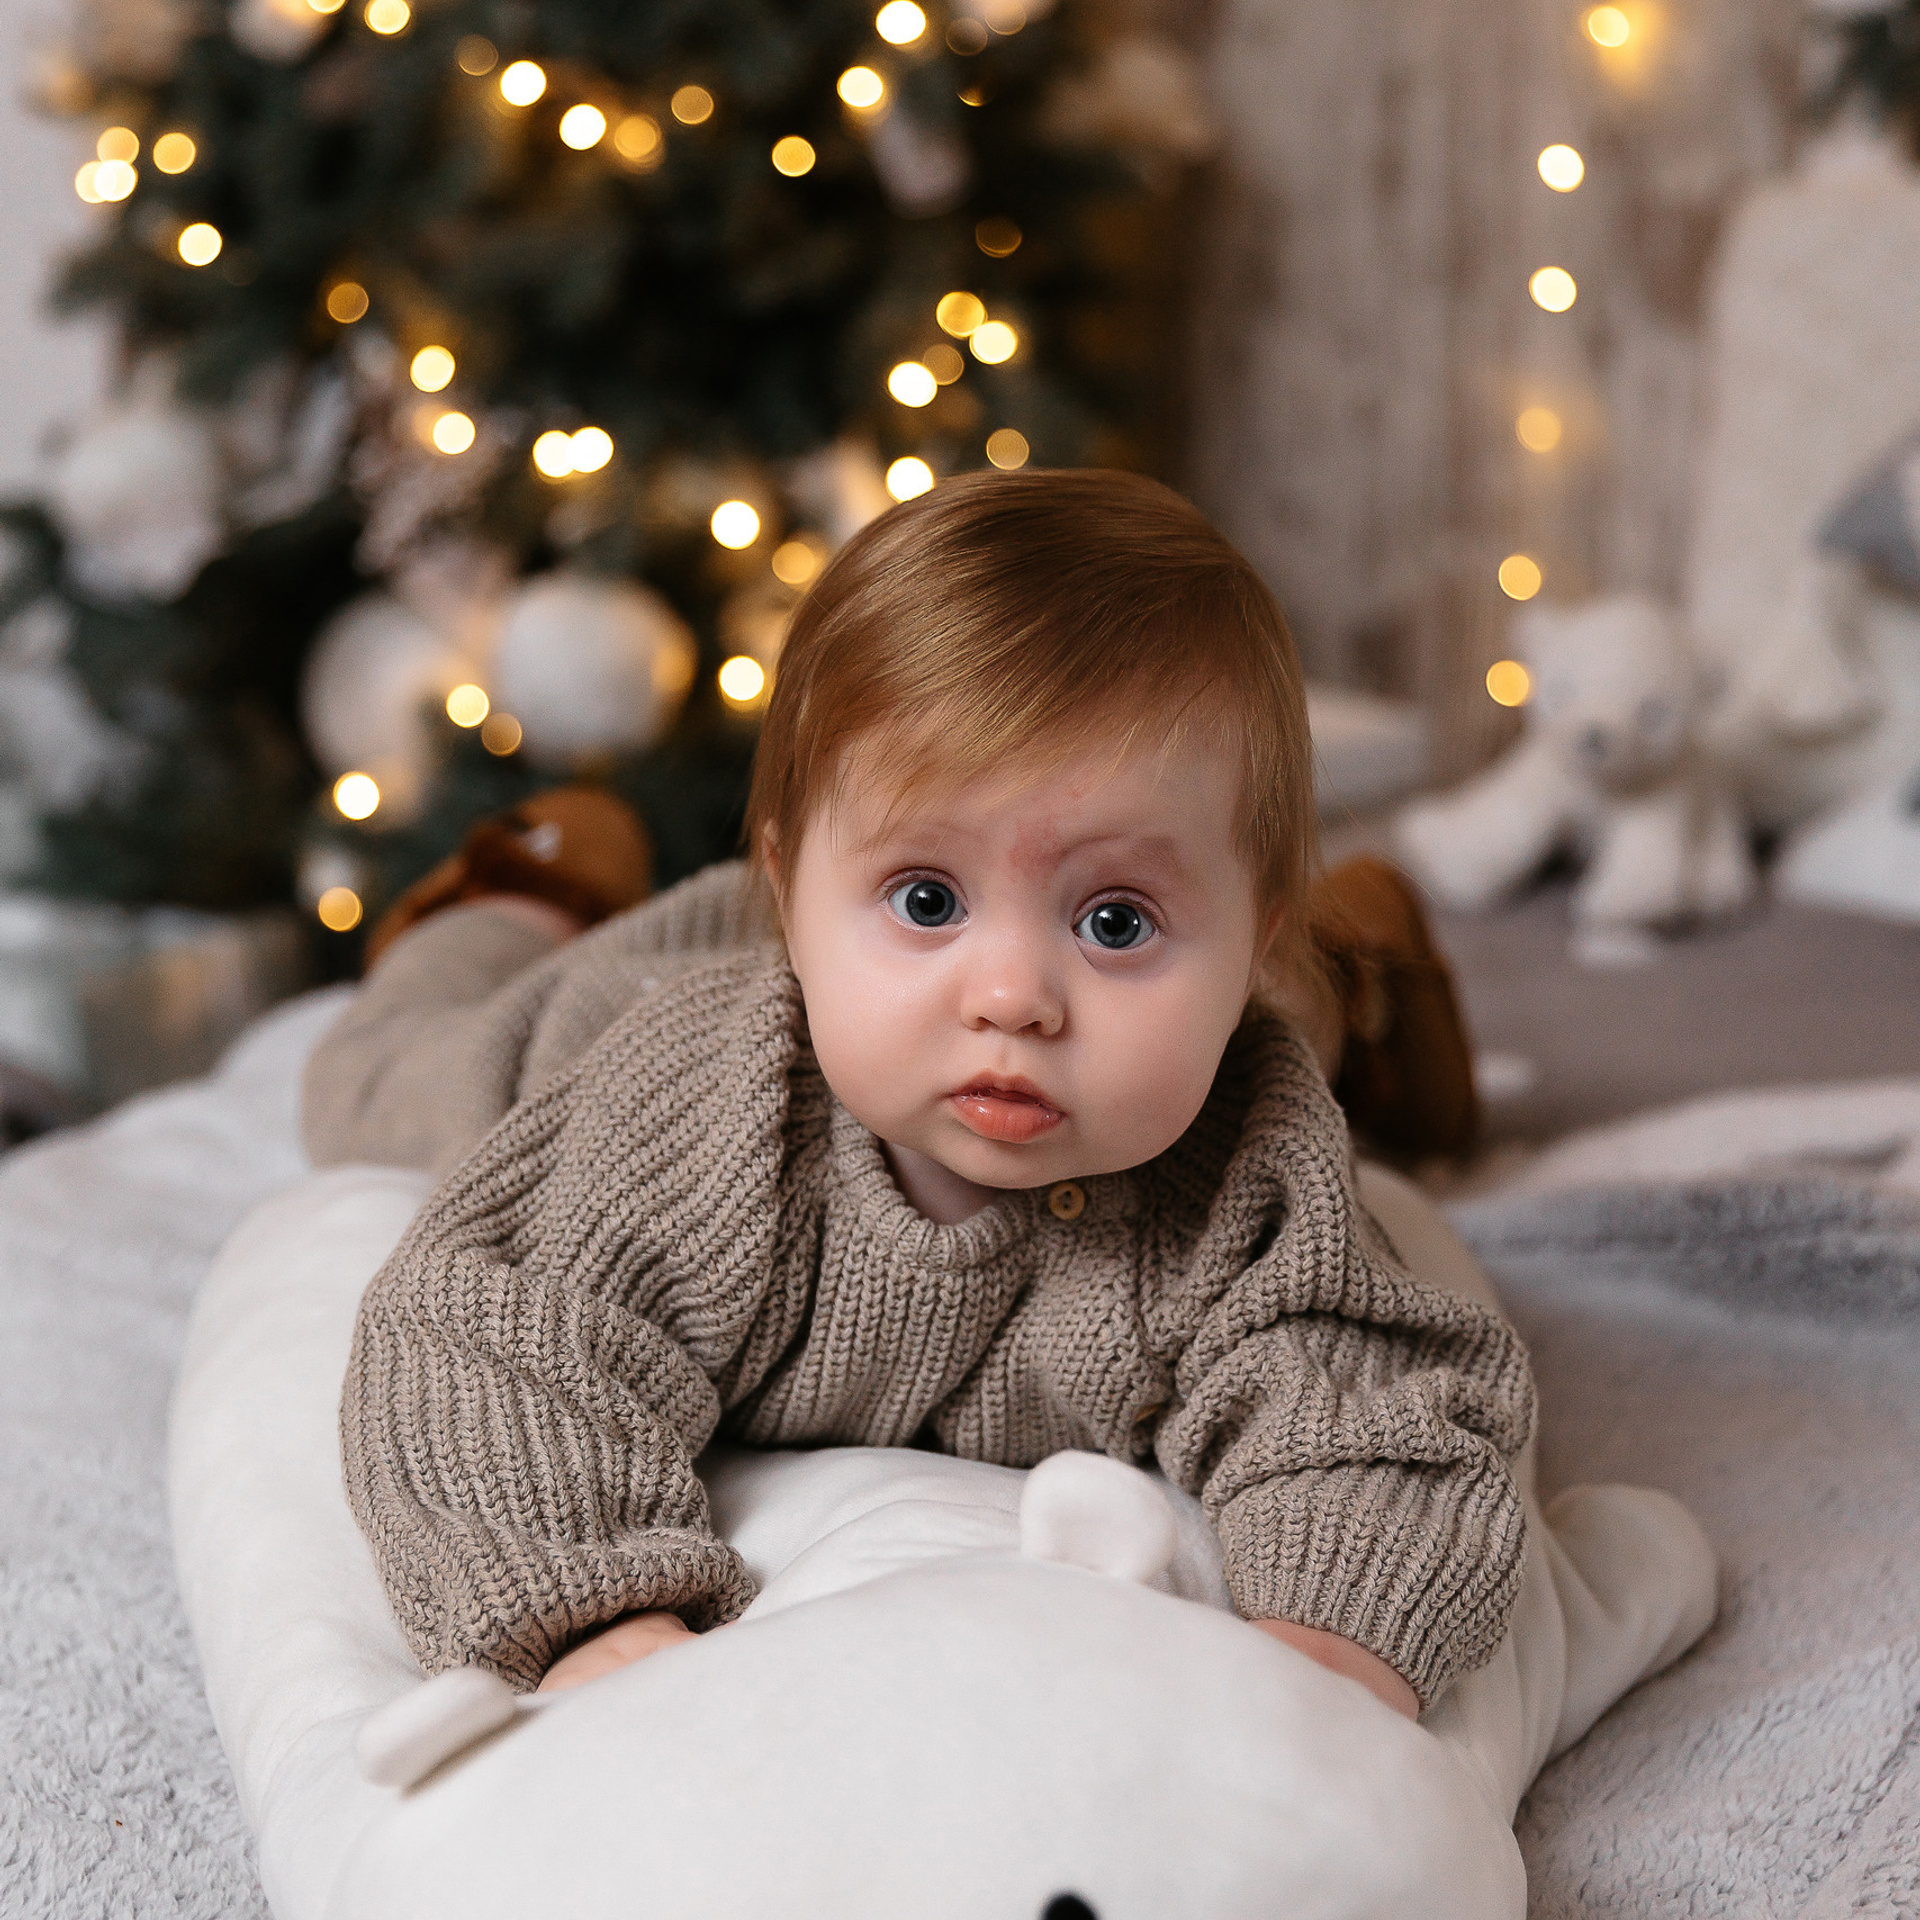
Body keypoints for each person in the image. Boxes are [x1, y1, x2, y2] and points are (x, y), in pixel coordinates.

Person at [312, 471, 1574, 1721]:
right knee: (374, 1086)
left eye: (1115, 919)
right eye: (930, 899)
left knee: (1251, 1034)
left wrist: (1333, 1649)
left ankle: (1353, 960)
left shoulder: (1244, 1155)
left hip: (1181, 982)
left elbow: (1360, 1399)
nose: (1014, 996)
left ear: (1248, 939)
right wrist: (590, 1612)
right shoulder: (689, 1118)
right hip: (620, 1008)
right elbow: (486, 1342)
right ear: (792, 894)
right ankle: (534, 878)